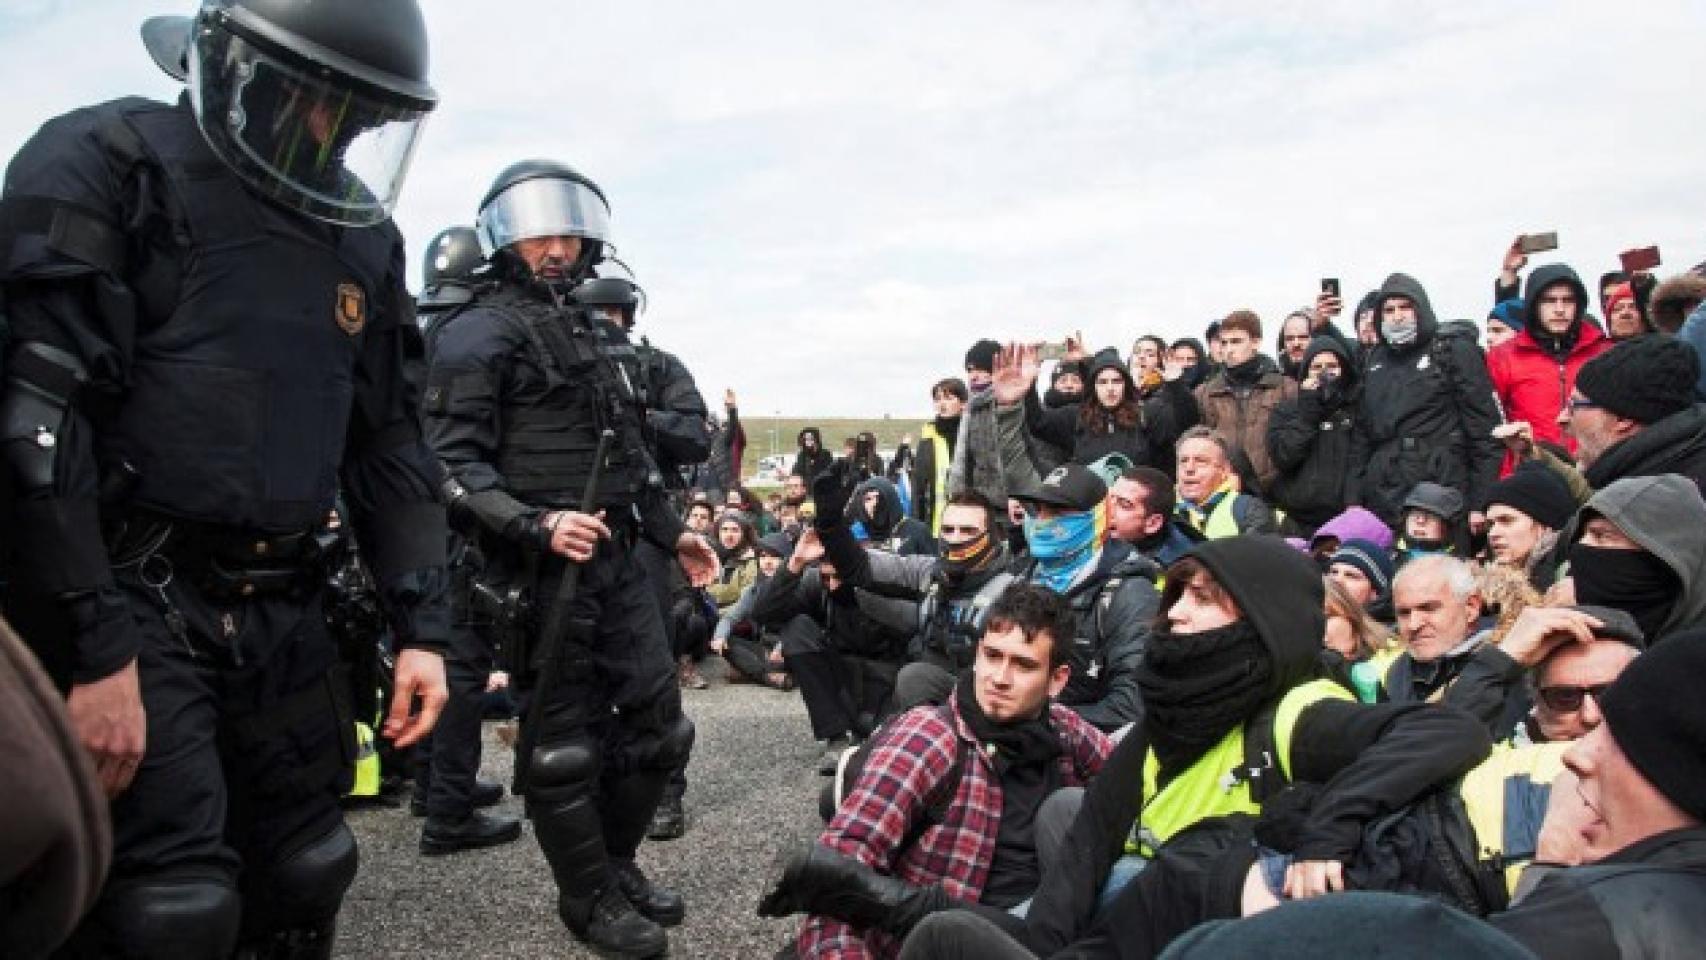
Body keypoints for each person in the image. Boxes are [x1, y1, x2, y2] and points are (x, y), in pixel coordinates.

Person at [0, 3, 452, 954]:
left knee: (308, 867)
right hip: (132, 594)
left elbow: (391, 444)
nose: (330, 130)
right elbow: (39, 420)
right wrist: (92, 649)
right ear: (237, 67)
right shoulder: (107, 160)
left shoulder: (363, 237)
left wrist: (425, 630)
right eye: (313, 98)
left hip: (287, 603)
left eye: (356, 112)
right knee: (171, 905)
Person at [890, 535, 1493, 960]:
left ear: (1262, 617)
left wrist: (1331, 827)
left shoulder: (1295, 709)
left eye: (1202, 597)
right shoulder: (1174, 711)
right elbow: (1085, 851)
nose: (1174, 612)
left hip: (1199, 932)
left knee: (946, 936)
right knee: (963, 919)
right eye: (1177, 593)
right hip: (1125, 924)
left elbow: (1448, 730)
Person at [425, 159, 718, 956]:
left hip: (621, 561)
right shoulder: (475, 331)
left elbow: (630, 453)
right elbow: (447, 465)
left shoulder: (593, 331)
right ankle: (585, 898)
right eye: (538, 233)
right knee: (564, 743)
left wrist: (671, 531)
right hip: (536, 574)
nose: (556, 248)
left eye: (568, 232)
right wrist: (535, 523)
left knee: (662, 729)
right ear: (504, 238)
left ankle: (615, 866)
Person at [760, 582, 1112, 960]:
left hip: (1038, 933)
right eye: (992, 656)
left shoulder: (1064, 731)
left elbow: (1144, 788)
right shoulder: (929, 738)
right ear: (977, 654)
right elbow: (835, 878)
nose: (999, 678)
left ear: (1057, 680)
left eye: (1023, 665)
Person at [1483, 626, 1706, 958]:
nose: (1575, 756)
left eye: (1615, 733)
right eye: (1563, 697)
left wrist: (1551, 870)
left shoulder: (1595, 914)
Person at [754, 525, 918, 771]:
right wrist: (795, 564)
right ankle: (836, 736)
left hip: (889, 682)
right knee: (797, 629)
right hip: (843, 678)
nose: (831, 586)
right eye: (826, 577)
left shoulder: (885, 580)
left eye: (839, 578)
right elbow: (764, 613)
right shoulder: (817, 584)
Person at [1355, 273, 1503, 532]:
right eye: (1389, 310)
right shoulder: (1373, 360)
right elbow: (1361, 437)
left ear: (1420, 309)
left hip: (1442, 487)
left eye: (1405, 307)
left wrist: (1482, 502)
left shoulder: (1452, 350)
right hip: (1384, 489)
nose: (1397, 316)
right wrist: (1353, 500)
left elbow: (1484, 432)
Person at [1550, 474, 1706, 643]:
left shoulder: (1693, 662)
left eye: (1601, 536)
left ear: (1661, 556)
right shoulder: (1564, 627)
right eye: (1582, 535)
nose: (1580, 547)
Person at [1487, 264, 1611, 474]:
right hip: (1530, 474)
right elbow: (1488, 428)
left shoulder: (1605, 352)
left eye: (1568, 300)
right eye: (1549, 300)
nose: (1560, 309)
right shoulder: (1503, 356)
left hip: (1596, 472)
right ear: (1534, 305)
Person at [1559, 334, 1706, 494]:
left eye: (1573, 405)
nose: (1561, 418)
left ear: (1622, 418)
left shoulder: (1661, 496)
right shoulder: (1660, 473)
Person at [1382, 556, 1504, 714]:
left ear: (1471, 607)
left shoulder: (1511, 664)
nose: (1413, 624)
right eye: (1404, 613)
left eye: (1428, 608)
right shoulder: (1397, 673)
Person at [1194, 310, 1296, 496]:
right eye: (1224, 342)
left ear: (1256, 342)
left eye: (1236, 341)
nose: (1229, 349)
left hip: (1275, 491)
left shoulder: (1285, 388)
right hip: (1222, 489)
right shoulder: (1205, 392)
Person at [1267, 334, 1361, 534]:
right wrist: (1308, 415)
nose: (1325, 373)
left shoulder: (1357, 410)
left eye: (1332, 366)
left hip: (1344, 518)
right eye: (1317, 367)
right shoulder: (1287, 411)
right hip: (1296, 519)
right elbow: (1284, 457)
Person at [710, 533, 795, 689]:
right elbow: (730, 618)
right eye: (763, 557)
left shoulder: (799, 587)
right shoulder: (753, 590)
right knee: (727, 643)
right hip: (764, 649)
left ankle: (751, 672)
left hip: (790, 647)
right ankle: (767, 676)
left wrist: (782, 647)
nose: (768, 562)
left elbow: (803, 625)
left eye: (775, 557)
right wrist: (719, 637)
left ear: (787, 559)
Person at [1483, 463, 1576, 592]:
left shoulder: (1571, 579)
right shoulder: (1491, 584)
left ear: (1544, 526)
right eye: (1490, 524)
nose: (1493, 533)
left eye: (1506, 520)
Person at [1172, 427, 1278, 539]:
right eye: (1183, 461)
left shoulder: (1249, 510)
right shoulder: (1159, 508)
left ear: (1224, 470)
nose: (1189, 468)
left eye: (1201, 461)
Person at [1107, 467, 1196, 568]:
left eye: (1124, 504)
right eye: (1108, 499)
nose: (1107, 509)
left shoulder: (1185, 571)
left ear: (1153, 524)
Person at [913, 378, 967, 535]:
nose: (941, 404)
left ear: (963, 403)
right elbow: (918, 488)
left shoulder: (973, 435)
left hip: (969, 522)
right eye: (937, 399)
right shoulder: (928, 438)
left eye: (948, 398)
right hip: (936, 527)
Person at [851, 477, 935, 556]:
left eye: (878, 497)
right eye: (868, 499)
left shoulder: (917, 531)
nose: (874, 504)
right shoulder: (859, 535)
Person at [1394, 481, 1469, 563]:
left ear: (1446, 526)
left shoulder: (1458, 566)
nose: (1420, 521)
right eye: (1415, 515)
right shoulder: (1391, 559)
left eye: (1430, 516)